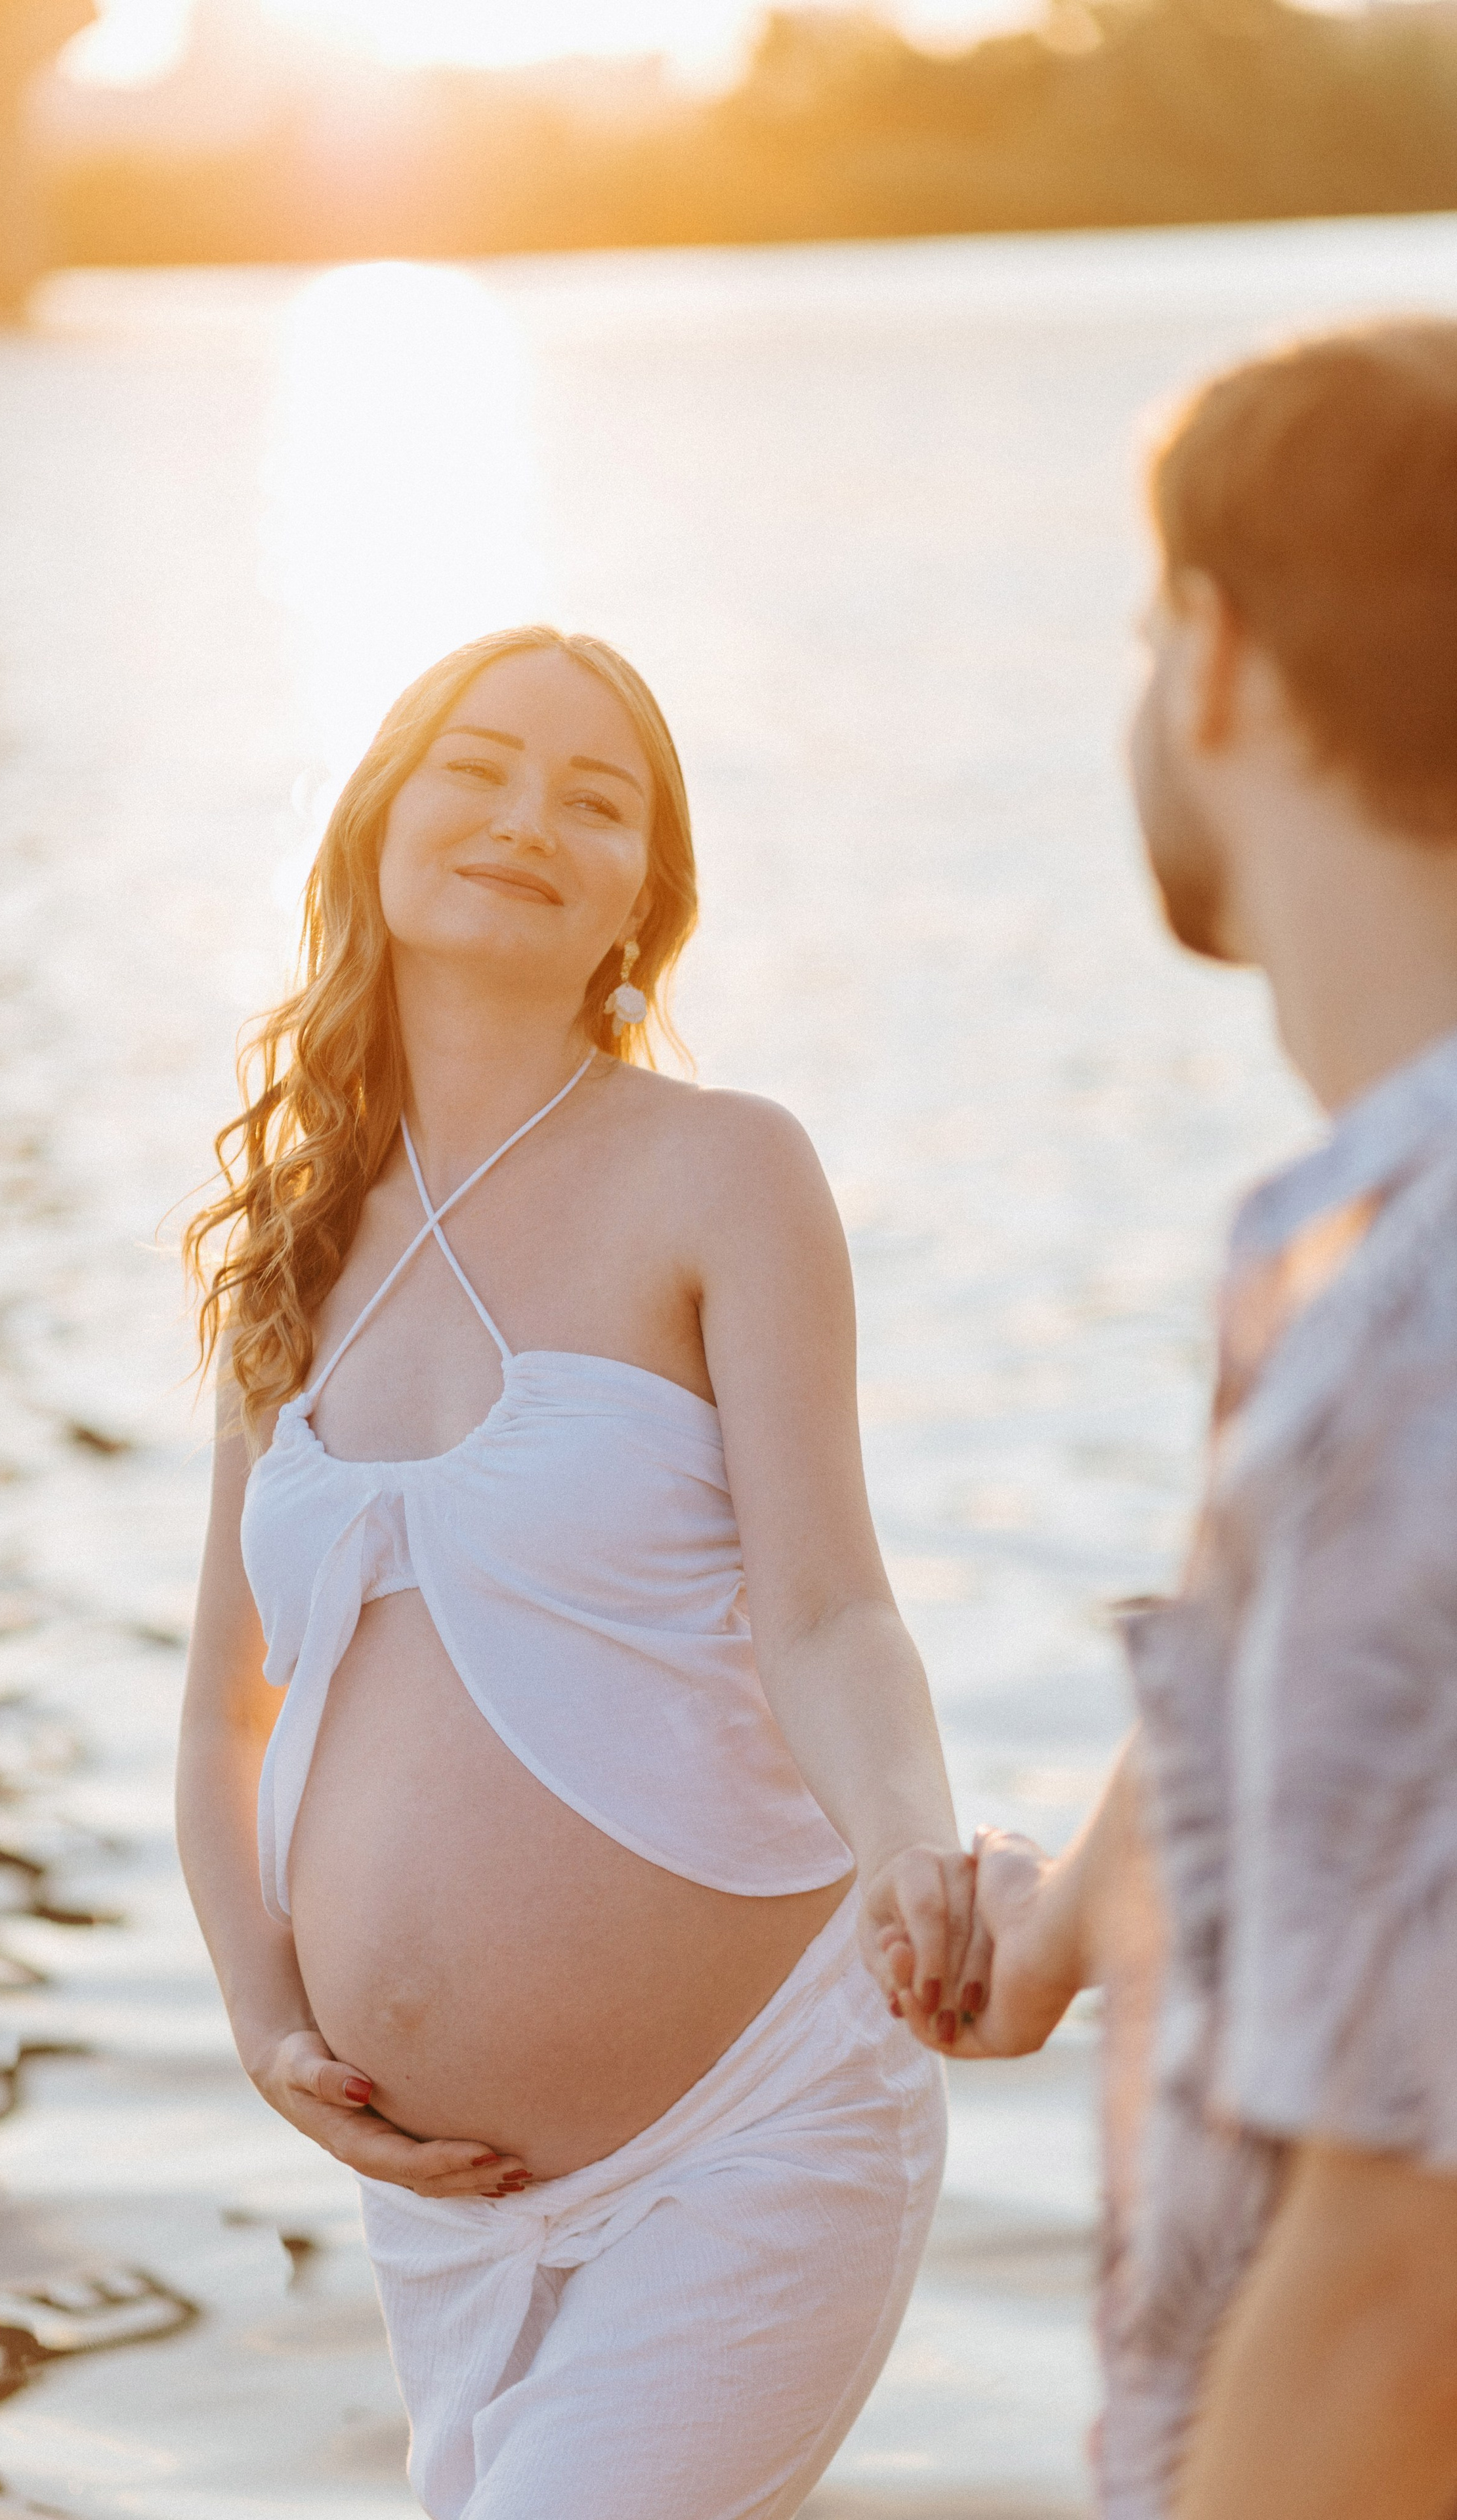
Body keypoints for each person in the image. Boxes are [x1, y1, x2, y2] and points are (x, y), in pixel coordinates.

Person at [177, 624, 973, 2520]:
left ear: (643, 902)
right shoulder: (287, 1253)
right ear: (380, 815)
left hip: (748, 2140)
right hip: (443, 2228)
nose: (528, 816)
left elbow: (834, 1609)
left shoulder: (722, 1173)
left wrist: (910, 1845)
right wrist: (261, 2016)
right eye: (478, 765)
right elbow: (225, 1708)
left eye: (595, 800)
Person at [895, 322, 1457, 2520]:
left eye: (1146, 636)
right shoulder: (1365, 1279)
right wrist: (1054, 1930)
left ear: (1212, 656)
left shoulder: (1400, 1336)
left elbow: (1401, 2264)